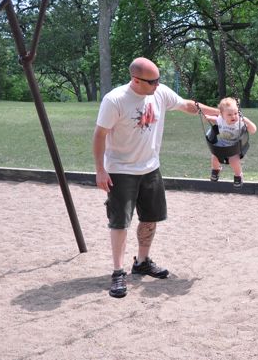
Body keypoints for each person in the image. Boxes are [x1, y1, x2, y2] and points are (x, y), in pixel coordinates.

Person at [93, 57, 220, 298]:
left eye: (158, 80)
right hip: (121, 170)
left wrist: (221, 114)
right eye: (152, 81)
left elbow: (187, 106)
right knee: (120, 222)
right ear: (135, 80)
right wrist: (100, 170)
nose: (157, 85)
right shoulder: (115, 100)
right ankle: (118, 272)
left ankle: (142, 262)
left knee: (151, 218)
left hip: (150, 168)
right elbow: (99, 135)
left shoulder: (159, 92)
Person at [205, 97, 257, 188]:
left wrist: (247, 122)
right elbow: (215, 119)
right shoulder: (220, 119)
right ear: (222, 114)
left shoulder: (240, 122)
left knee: (234, 160)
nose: (233, 116)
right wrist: (208, 118)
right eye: (229, 114)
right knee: (214, 156)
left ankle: (238, 175)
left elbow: (253, 130)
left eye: (236, 113)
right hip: (222, 144)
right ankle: (216, 170)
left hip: (235, 146)